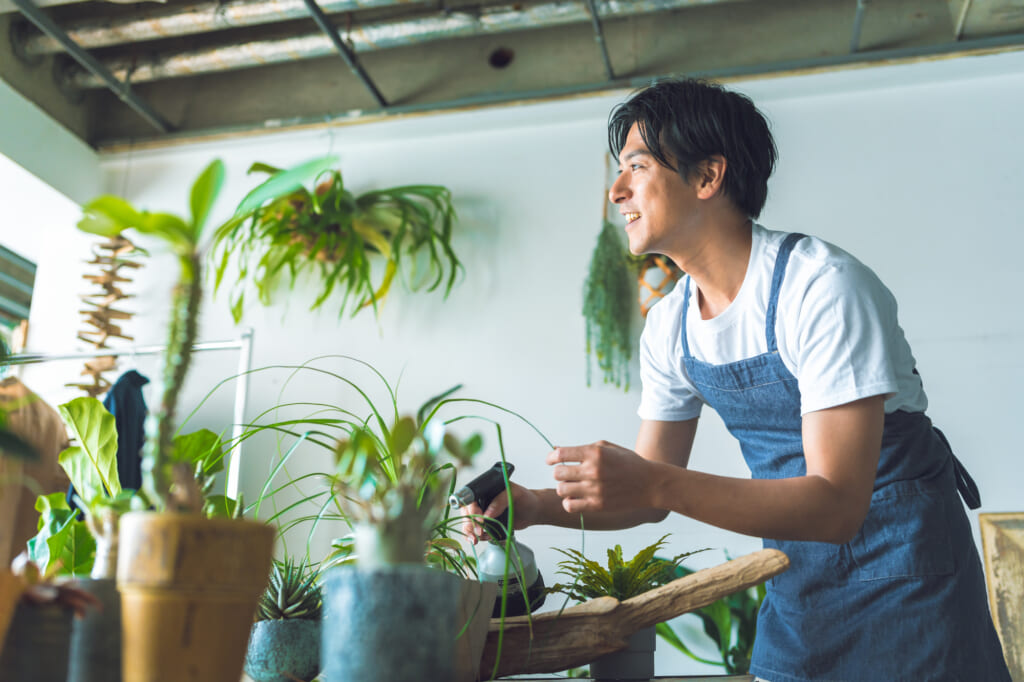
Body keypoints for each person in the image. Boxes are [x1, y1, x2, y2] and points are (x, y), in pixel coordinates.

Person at [464, 78, 1011, 681]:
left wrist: (656, 483)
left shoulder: (822, 289)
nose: (616, 191)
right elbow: (648, 501)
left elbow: (835, 505)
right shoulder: (671, 325)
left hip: (910, 584)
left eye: (637, 166)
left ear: (708, 177)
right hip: (798, 587)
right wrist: (534, 507)